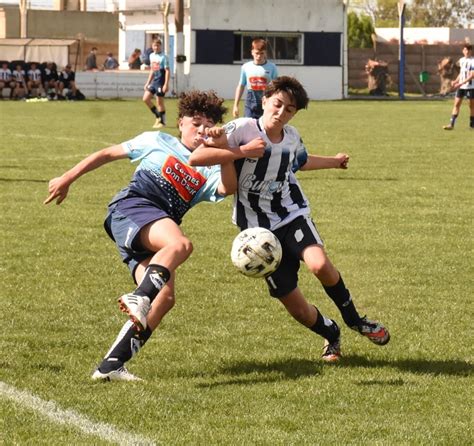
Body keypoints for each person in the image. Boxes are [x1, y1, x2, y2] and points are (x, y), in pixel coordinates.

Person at [44, 90, 265, 381]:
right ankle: (138, 297)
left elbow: (228, 188)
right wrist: (67, 177)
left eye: (208, 124)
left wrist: (224, 150)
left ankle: (111, 365)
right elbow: (107, 153)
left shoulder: (210, 166)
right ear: (180, 122)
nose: (201, 129)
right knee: (181, 244)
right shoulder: (158, 140)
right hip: (132, 208)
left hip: (156, 228)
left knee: (165, 297)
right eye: (195, 122)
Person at [190, 76, 390, 363]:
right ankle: (331, 333)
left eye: (289, 109)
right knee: (298, 310)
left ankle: (355, 319)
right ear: (264, 101)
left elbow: (302, 161)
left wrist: (334, 161)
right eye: (277, 104)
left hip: (290, 213)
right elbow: (198, 157)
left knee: (319, 264)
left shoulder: (292, 137)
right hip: (258, 234)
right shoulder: (243, 128)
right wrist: (240, 151)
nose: (281, 112)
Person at [232, 38, 278, 119]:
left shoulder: (272, 67)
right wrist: (236, 105)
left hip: (266, 102)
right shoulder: (246, 67)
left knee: (264, 129)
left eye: (262, 53)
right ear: (252, 52)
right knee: (247, 126)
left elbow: (276, 88)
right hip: (250, 103)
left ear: (265, 53)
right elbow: (241, 85)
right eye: (257, 53)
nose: (259, 56)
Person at [443, 44, 474, 130]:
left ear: (471, 51)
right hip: (461, 86)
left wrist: (460, 83)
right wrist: (456, 81)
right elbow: (461, 73)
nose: (467, 52)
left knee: (471, 106)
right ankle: (451, 124)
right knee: (456, 104)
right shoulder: (461, 60)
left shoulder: (473, 61)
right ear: (463, 51)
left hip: (471, 87)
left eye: (468, 50)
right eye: (465, 50)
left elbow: (472, 75)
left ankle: (472, 125)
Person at [143, 39, 170, 129]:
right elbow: (152, 70)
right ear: (152, 46)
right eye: (154, 46)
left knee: (159, 102)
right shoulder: (151, 56)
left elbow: (167, 71)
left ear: (160, 46)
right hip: (154, 81)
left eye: (158, 46)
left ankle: (162, 122)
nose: (156, 47)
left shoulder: (164, 57)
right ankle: (158, 116)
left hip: (161, 82)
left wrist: (166, 84)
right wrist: (147, 83)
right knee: (146, 99)